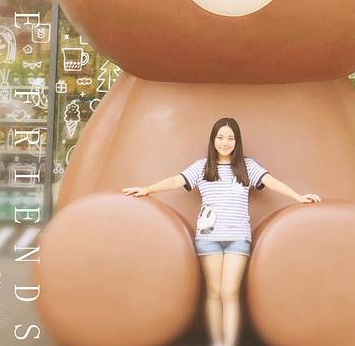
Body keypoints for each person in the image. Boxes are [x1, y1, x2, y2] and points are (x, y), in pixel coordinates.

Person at [122, 117, 322, 346]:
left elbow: (272, 182)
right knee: (214, 292)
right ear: (213, 140)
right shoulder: (203, 166)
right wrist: (147, 189)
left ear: (237, 141)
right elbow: (176, 180)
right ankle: (217, 342)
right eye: (220, 137)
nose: (225, 142)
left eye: (230, 138)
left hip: (238, 237)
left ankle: (229, 343)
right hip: (208, 239)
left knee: (229, 292)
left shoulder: (247, 166)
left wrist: (298, 197)